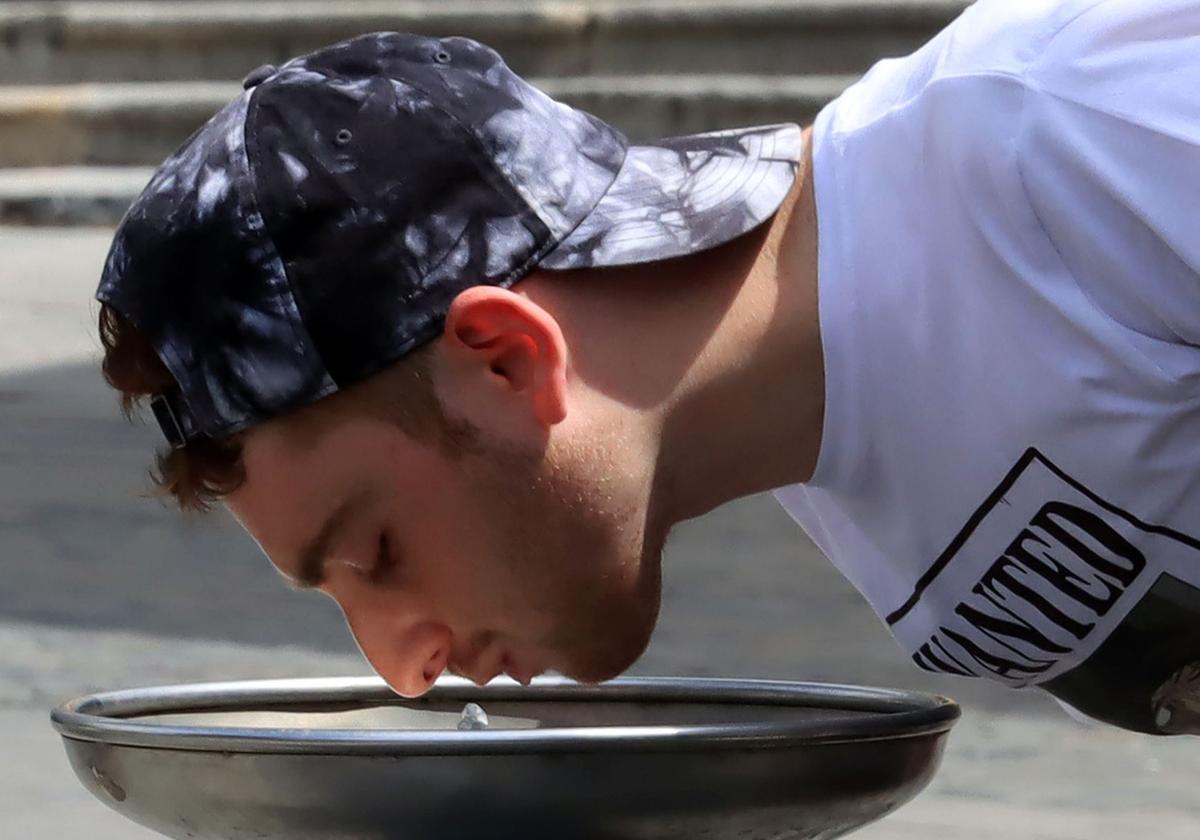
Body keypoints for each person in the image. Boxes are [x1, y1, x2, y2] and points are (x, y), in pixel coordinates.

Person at [95, 0, 1200, 735]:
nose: (400, 667)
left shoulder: (1076, 135)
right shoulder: (817, 444)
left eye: (376, 552)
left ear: (508, 357)